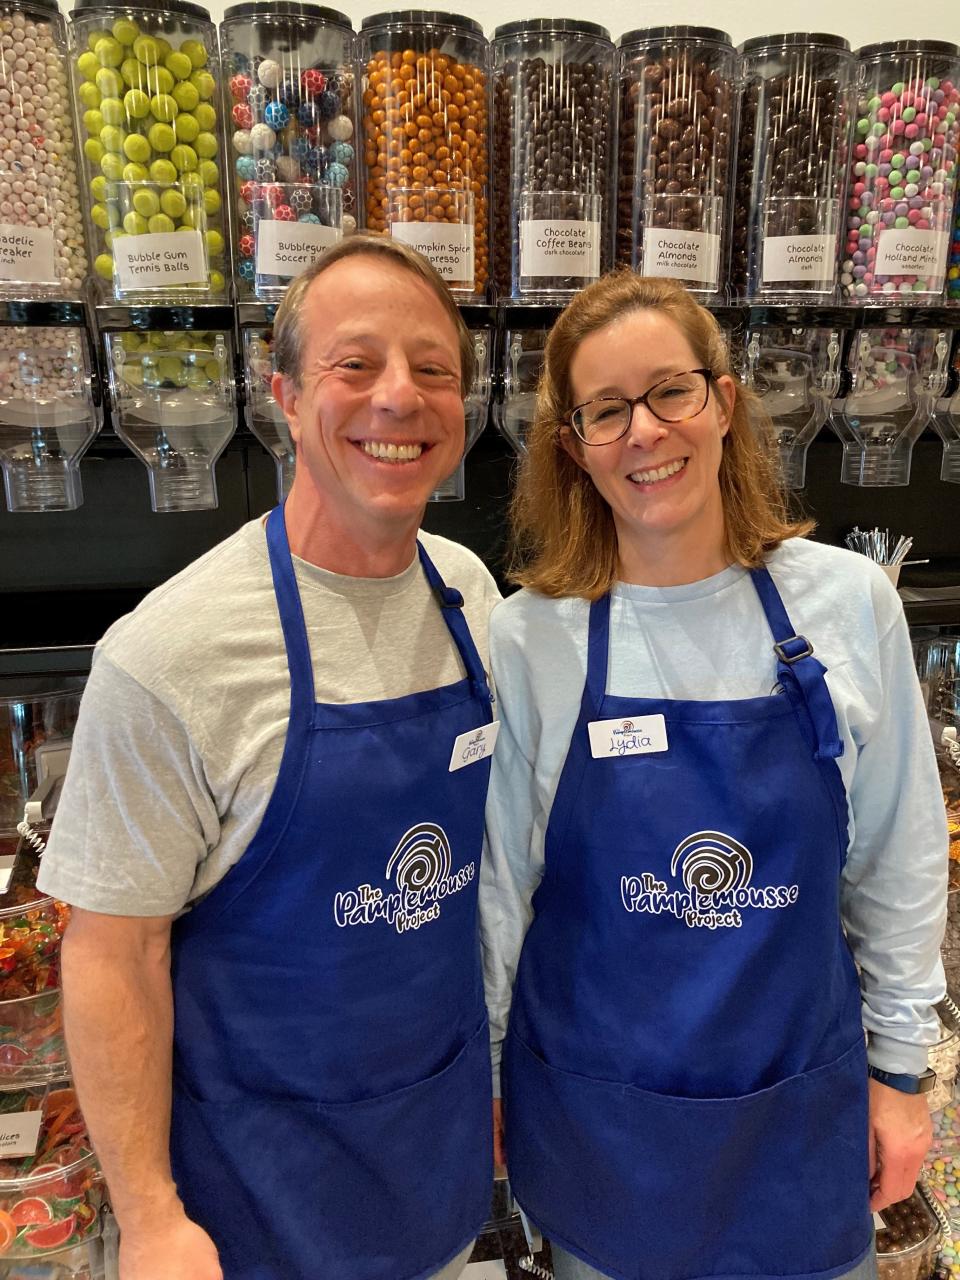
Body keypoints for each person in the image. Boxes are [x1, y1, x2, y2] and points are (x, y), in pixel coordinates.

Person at [39, 235, 502, 1280]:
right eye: (356, 364)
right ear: (283, 393)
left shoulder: (471, 591)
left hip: (433, 1152)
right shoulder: (169, 654)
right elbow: (113, 955)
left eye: (434, 369)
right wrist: (151, 1218)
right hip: (255, 1199)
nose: (400, 396)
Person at [481, 272, 947, 1280]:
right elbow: (498, 897)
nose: (644, 431)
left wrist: (901, 1072)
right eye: (605, 410)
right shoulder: (531, 642)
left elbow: (899, 861)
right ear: (573, 447)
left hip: (801, 1120)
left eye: (670, 392)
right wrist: (484, 1079)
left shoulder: (847, 603)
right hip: (603, 1129)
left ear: (724, 403)